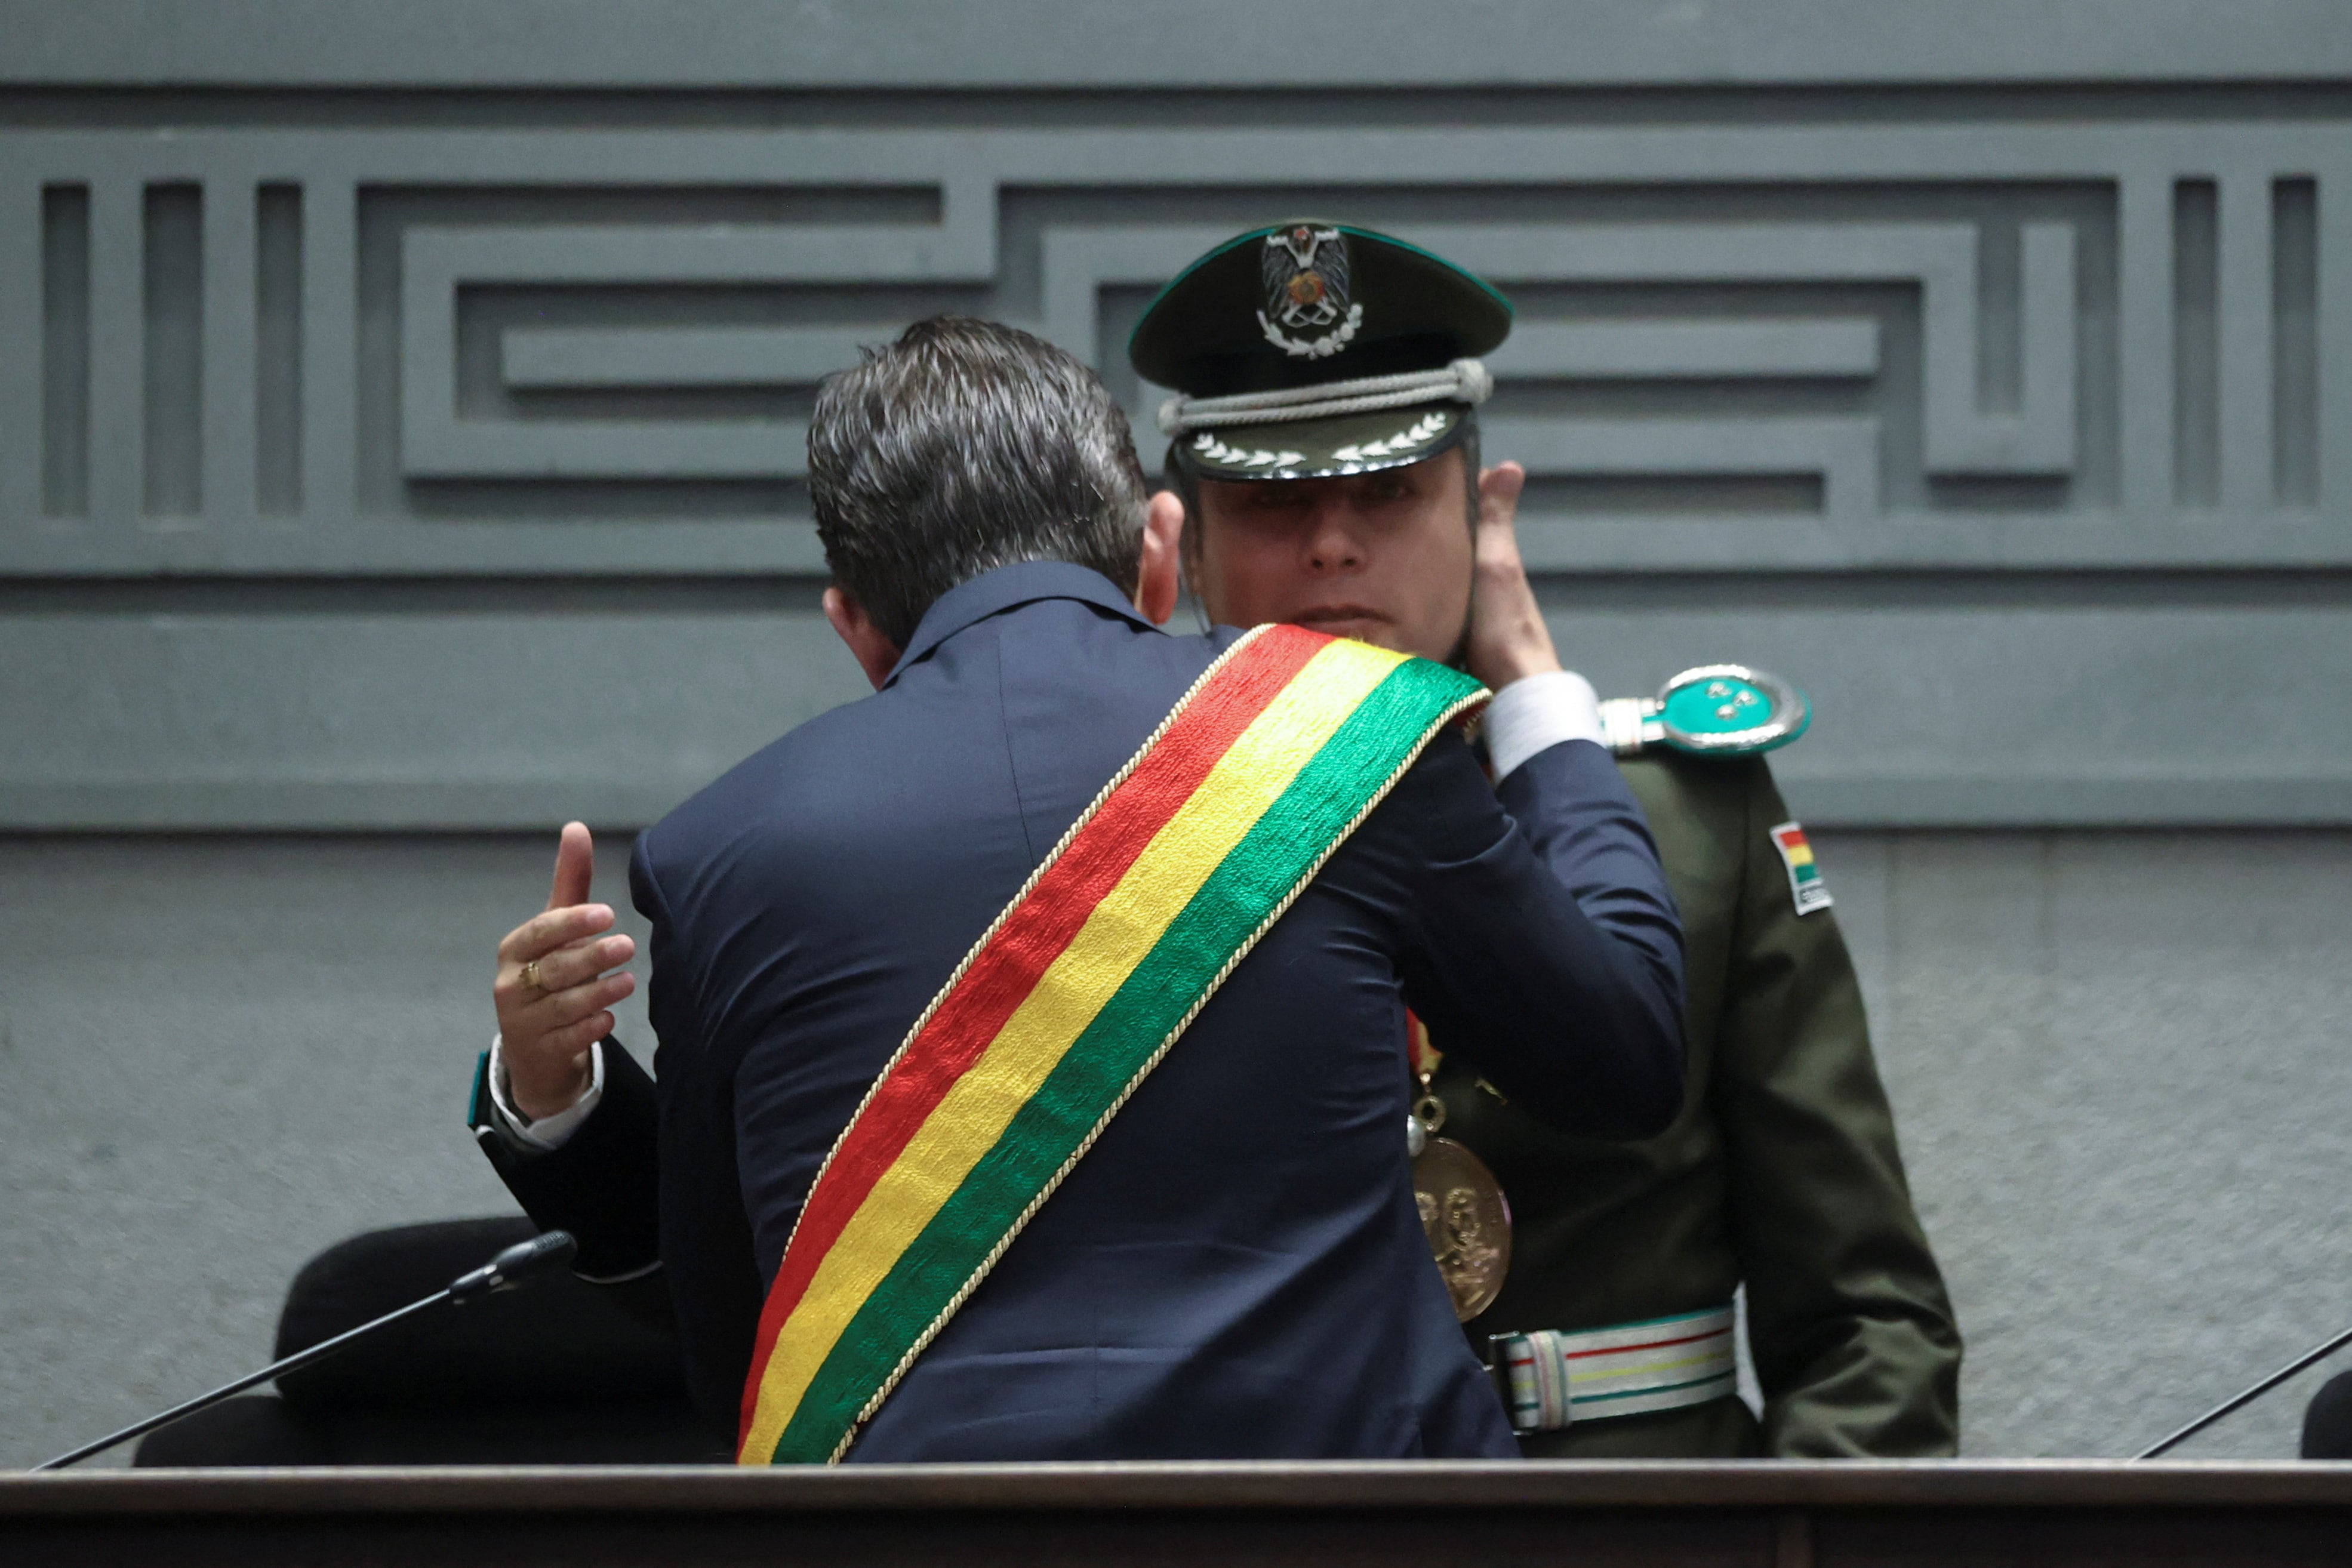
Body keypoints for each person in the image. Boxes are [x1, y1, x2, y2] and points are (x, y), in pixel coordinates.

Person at [472, 315, 1688, 1462]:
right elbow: (1622, 1056)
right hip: (1342, 1533)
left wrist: (556, 1091)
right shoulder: (1339, 732)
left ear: (852, 623)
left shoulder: (719, 851)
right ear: (1157, 552)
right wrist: (1536, 696)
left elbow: (735, 1346)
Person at [1129, 220, 1962, 1457]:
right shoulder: (1113, 855)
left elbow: (1862, 1316)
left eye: (1388, 491)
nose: (1331, 544)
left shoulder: (1683, 815)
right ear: (1185, 545)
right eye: (1270, 503)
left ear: (1481, 513)